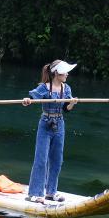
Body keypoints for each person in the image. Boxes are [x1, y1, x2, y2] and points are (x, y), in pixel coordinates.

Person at [22, 59, 79, 204]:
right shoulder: (45, 88)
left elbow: (66, 109)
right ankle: (34, 193)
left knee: (57, 160)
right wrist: (27, 100)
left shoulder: (66, 89)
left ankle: (51, 192)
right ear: (56, 73)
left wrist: (71, 103)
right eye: (64, 72)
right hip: (45, 124)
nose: (67, 74)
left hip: (59, 125)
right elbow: (31, 98)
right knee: (41, 159)